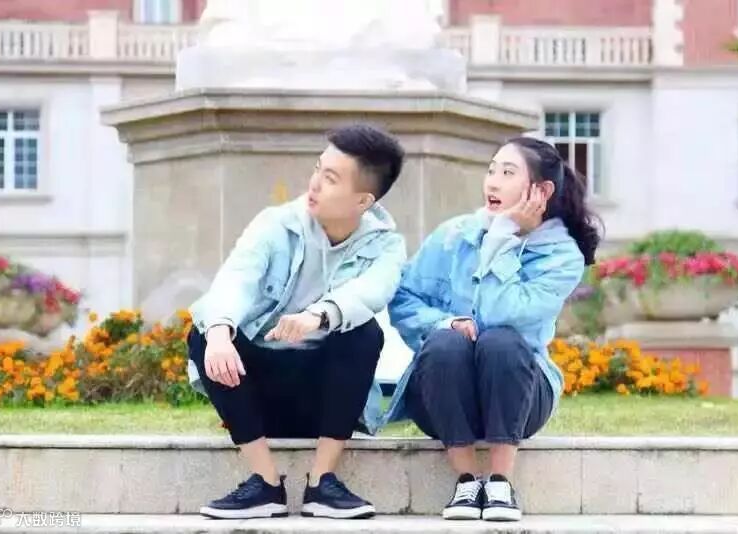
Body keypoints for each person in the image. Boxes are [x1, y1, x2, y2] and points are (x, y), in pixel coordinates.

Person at [186, 123, 406, 520]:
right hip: (260, 394)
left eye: (331, 178)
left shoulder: (386, 246)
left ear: (363, 200)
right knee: (204, 333)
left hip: (324, 399)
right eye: (318, 168)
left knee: (364, 331)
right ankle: (265, 483)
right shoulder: (277, 224)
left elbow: (371, 292)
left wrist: (317, 315)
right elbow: (237, 276)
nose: (315, 183)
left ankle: (323, 483)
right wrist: (219, 331)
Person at [384, 136, 601, 522]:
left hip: (520, 399)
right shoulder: (455, 235)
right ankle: (466, 481)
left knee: (500, 341)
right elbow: (403, 298)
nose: (493, 182)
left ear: (541, 191)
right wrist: (444, 322)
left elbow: (505, 315)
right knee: (447, 341)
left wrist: (501, 239)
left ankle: (500, 482)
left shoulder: (561, 256)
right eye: (491, 170)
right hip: (442, 395)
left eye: (507, 172)